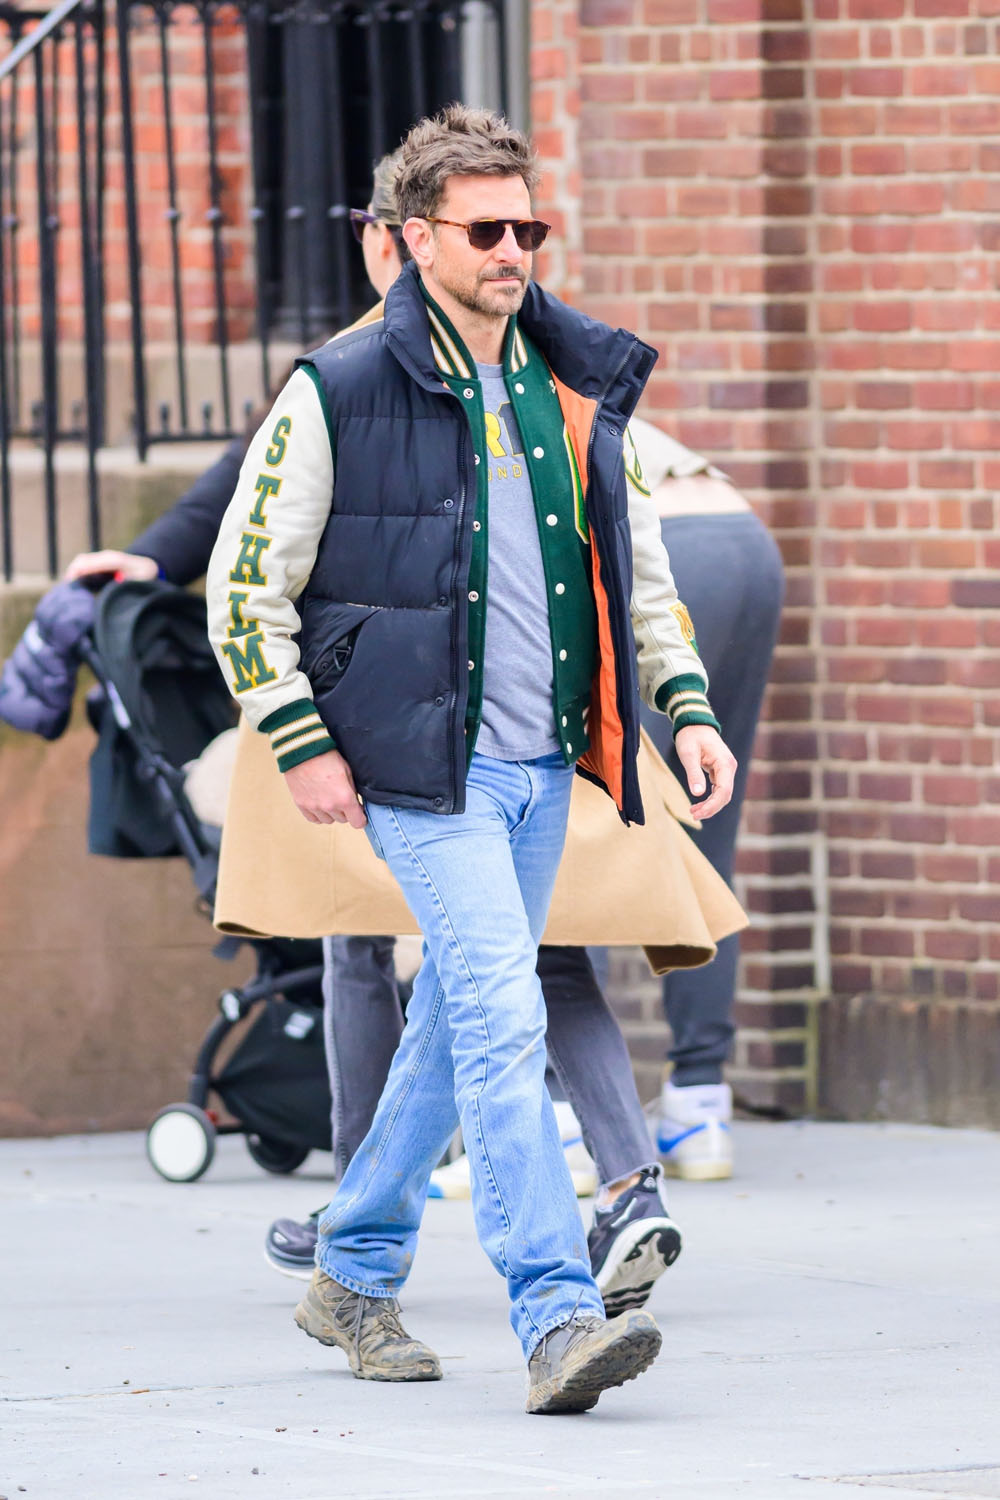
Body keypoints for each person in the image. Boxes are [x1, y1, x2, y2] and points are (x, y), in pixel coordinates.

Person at [70, 149, 730, 1321]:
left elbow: (639, 577)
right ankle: (556, 1309)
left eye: (526, 230)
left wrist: (686, 706)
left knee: (446, 1021)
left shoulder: (578, 383)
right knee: (501, 1011)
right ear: (414, 239)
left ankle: (353, 1263)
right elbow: (245, 588)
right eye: (484, 231)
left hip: (547, 766)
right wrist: (301, 740)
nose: (513, 252)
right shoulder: (340, 384)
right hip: (421, 771)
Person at [629, 423, 785, 1181]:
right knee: (704, 828)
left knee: (580, 834)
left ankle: (556, 1116)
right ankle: (698, 1108)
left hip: (666, 548)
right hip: (743, 537)